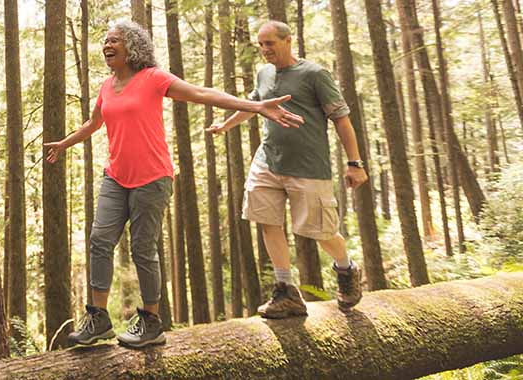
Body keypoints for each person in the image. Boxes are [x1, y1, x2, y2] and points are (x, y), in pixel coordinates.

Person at [44, 20, 303, 348]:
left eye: (115, 40)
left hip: (152, 178)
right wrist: (65, 143)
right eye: (105, 41)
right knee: (99, 240)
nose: (107, 45)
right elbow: (94, 123)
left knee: (142, 248)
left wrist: (255, 106)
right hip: (116, 177)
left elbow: (202, 93)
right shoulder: (107, 86)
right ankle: (98, 318)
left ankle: (151, 322)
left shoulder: (153, 78)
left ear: (133, 46)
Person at [207, 20, 368, 319]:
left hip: (308, 166)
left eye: (270, 43)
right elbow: (254, 105)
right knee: (267, 220)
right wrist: (225, 125)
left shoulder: (314, 74)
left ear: (287, 40)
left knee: (322, 232)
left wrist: (354, 163)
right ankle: (286, 291)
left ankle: (346, 269)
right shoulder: (264, 73)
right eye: (261, 44)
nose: (265, 49)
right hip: (268, 161)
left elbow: (341, 118)